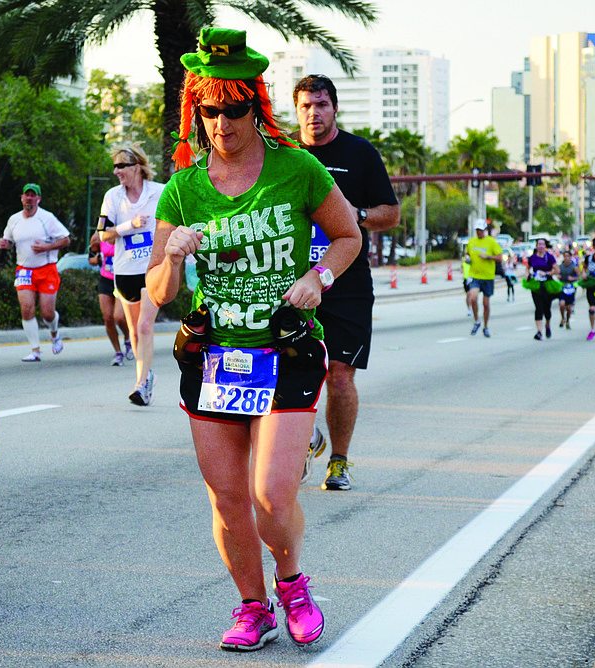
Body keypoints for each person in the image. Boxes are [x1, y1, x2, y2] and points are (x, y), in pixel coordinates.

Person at [146, 28, 361, 652]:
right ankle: (252, 606)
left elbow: (348, 235)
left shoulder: (297, 168)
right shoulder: (184, 188)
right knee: (228, 498)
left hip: (286, 349)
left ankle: (291, 584)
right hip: (215, 356)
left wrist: (318, 278)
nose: (221, 123)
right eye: (209, 111)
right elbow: (158, 290)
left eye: (233, 109)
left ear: (255, 107)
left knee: (271, 494)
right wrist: (173, 256)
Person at [292, 74, 400, 490]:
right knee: (290, 372)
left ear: (335, 108)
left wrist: (356, 215)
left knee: (339, 376)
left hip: (347, 282)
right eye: (306, 106)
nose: (313, 113)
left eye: (321, 104)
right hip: (292, 282)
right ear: (296, 111)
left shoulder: (360, 153)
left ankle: (338, 461)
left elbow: (390, 214)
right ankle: (304, 439)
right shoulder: (283, 153)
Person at [98, 144, 163, 405]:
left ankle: (141, 383)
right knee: (134, 331)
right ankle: (146, 376)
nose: (116, 171)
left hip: (152, 269)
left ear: (136, 167)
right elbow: (103, 234)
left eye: (121, 166)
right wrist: (129, 226)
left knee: (146, 326)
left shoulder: (159, 192)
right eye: (114, 166)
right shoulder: (112, 197)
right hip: (125, 270)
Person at [0, 183, 70, 362]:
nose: (29, 198)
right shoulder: (14, 220)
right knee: (26, 309)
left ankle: (54, 334)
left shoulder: (47, 218)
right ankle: (35, 350)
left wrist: (46, 247)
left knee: (47, 314)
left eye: (33, 195)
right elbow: (9, 240)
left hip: (47, 269)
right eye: (26, 195)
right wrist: (5, 244)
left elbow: (66, 239)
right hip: (24, 270)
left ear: (38, 199)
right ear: (22, 198)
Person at [88, 231, 132, 366]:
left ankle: (128, 339)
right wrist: (96, 260)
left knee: (119, 317)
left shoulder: (124, 232)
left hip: (122, 278)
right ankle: (118, 352)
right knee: (108, 318)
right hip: (105, 279)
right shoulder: (97, 237)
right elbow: (91, 258)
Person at [464, 219, 503, 338]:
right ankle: (477, 321)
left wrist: (488, 257)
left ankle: (485, 326)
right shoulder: (471, 242)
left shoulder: (491, 242)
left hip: (487, 276)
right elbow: (467, 254)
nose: (479, 232)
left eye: (481, 230)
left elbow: (500, 257)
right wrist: (467, 259)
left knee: (486, 304)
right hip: (475, 275)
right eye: (477, 230)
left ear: (485, 230)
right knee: (473, 298)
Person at [526, 238, 559, 340]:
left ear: (545, 246)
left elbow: (557, 270)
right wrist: (528, 275)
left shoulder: (549, 257)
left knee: (546, 308)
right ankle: (539, 331)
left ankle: (547, 324)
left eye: (542, 244)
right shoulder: (532, 257)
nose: (540, 246)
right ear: (536, 246)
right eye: (539, 244)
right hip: (536, 285)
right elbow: (527, 268)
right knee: (538, 307)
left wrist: (547, 273)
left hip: (547, 284)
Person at [557, 249, 580, 330]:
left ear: (570, 257)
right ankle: (563, 318)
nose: (566, 258)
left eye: (567, 256)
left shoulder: (574, 267)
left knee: (569, 307)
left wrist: (573, 278)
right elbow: (557, 273)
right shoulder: (560, 266)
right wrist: (558, 277)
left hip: (570, 288)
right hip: (562, 287)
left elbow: (579, 276)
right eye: (565, 256)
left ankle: (567, 321)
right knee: (562, 304)